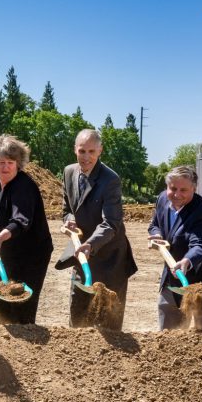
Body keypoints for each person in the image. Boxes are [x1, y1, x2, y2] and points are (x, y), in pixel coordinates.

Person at [57, 129, 138, 329]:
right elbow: (67, 209)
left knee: (108, 322)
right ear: (75, 149)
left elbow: (111, 222)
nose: (86, 157)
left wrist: (91, 244)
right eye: (82, 151)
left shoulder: (110, 179)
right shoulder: (69, 172)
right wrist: (70, 220)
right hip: (81, 254)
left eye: (91, 151)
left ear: (100, 151)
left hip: (110, 258)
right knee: (78, 315)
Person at [0, 135, 53, 324]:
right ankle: (0, 333)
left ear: (18, 164)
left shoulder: (24, 186)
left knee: (21, 309)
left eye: (10, 163)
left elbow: (21, 220)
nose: (5, 167)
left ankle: (24, 334)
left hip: (29, 256)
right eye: (1, 162)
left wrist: (1, 236)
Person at [148, 165, 202, 329]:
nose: (177, 194)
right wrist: (157, 234)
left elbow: (200, 244)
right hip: (175, 271)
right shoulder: (163, 199)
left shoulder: (201, 213)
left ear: (194, 189)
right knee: (169, 323)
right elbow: (155, 224)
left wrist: (187, 260)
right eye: (173, 188)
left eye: (183, 190)